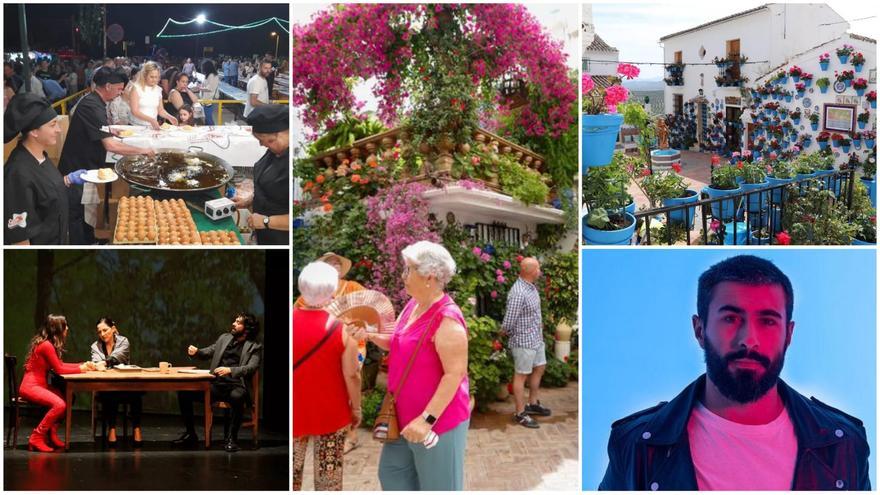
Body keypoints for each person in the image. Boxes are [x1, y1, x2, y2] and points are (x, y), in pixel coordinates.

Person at [599, 255, 871, 490]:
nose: (749, 339)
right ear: (699, 330)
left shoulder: (845, 444)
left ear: (788, 335)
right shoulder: (636, 445)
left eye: (767, 321)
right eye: (731, 318)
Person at [351, 241, 470, 491]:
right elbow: (398, 343)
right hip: (401, 418)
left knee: (439, 487)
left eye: (408, 270)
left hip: (436, 424)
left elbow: (454, 375)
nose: (403, 276)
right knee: (392, 477)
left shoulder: (447, 318)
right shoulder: (412, 306)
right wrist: (370, 334)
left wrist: (426, 420)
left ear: (429, 276)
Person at [58, 67, 155, 245]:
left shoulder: (96, 102)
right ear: (108, 86)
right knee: (76, 212)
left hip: (86, 166)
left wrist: (110, 130)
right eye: (119, 88)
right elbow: (110, 145)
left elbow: (98, 129)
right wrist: (142, 150)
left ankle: (90, 239)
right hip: (76, 169)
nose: (121, 92)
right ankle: (81, 246)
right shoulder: (92, 106)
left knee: (86, 207)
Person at [293, 261, 363, 491]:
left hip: (294, 412)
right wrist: (356, 408)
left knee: (290, 478)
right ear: (332, 291)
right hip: (331, 413)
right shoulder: (342, 329)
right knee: (328, 479)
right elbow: (352, 375)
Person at [173, 313, 262, 452]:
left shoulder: (254, 346)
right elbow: (208, 352)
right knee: (184, 394)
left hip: (237, 385)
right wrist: (196, 352)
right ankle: (191, 434)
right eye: (234, 321)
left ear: (247, 328)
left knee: (237, 397)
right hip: (216, 385)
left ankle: (232, 438)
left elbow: (251, 367)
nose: (233, 323)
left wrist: (230, 370)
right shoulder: (224, 338)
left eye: (238, 322)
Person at [4, 94, 82, 245]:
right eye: (52, 125)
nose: (59, 130)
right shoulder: (17, 173)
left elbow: (41, 191)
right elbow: (19, 238)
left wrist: (66, 180)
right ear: (34, 131)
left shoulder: (41, 157)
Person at [19, 315, 101, 452]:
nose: (67, 328)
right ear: (57, 329)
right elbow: (60, 369)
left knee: (68, 398)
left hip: (39, 385)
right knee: (60, 404)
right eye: (65, 325)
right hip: (31, 387)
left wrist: (83, 365)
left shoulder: (48, 344)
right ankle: (37, 436)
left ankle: (52, 433)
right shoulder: (46, 346)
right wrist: (82, 369)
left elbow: (60, 365)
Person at [502, 257, 551, 429]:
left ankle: (532, 403)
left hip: (536, 338)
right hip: (523, 340)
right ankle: (520, 413)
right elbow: (509, 319)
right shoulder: (518, 292)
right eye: (538, 268)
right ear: (530, 271)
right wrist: (504, 332)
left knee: (539, 367)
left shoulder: (531, 287)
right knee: (521, 375)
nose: (540, 271)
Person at [233, 104, 289, 245]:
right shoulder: (274, 152)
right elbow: (267, 186)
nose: (262, 145)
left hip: (280, 237)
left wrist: (266, 221)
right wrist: (250, 200)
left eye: (266, 141)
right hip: (264, 233)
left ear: (283, 133)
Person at [90, 317, 144, 447]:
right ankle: (112, 428)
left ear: (113, 329)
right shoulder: (95, 346)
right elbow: (97, 362)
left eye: (105, 330)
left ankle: (137, 428)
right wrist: (100, 364)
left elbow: (119, 356)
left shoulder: (123, 341)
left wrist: (106, 363)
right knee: (110, 393)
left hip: (126, 384)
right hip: (107, 385)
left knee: (136, 392)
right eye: (99, 332)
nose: (102, 334)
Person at [294, 252, 365, 309]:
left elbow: (370, 300)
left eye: (338, 263)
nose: (336, 266)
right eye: (331, 264)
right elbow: (297, 311)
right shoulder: (313, 289)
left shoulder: (352, 286)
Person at [129, 61, 177, 130]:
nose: (154, 79)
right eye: (151, 77)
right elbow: (134, 111)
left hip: (151, 127)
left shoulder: (158, 89)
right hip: (136, 126)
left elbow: (160, 110)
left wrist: (169, 117)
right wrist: (151, 120)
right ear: (145, 75)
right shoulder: (136, 88)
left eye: (156, 77)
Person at [198, 60, 220, 126]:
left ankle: (212, 132)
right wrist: (201, 86)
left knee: (208, 118)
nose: (202, 68)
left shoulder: (212, 75)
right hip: (207, 99)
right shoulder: (209, 75)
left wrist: (201, 88)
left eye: (203, 67)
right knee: (207, 118)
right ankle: (209, 131)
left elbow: (210, 88)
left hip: (210, 99)